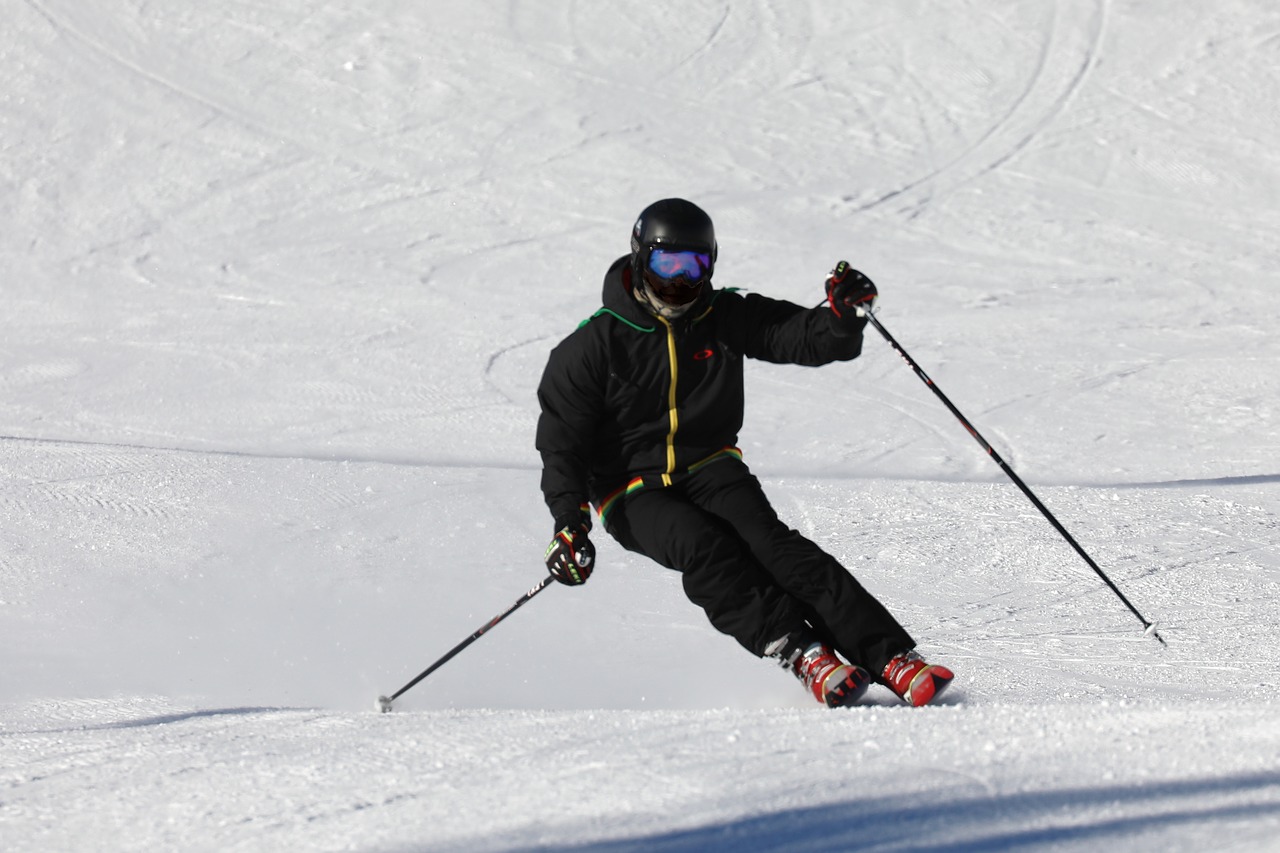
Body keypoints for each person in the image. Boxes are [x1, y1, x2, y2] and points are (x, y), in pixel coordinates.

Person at [536, 198, 953, 708]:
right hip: (630, 489)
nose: (680, 280)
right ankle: (799, 648)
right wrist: (569, 521)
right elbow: (562, 445)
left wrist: (843, 319)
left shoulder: (721, 315)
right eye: (668, 264)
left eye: (695, 266)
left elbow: (797, 336)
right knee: (702, 546)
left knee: (773, 545)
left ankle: (890, 656)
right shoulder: (591, 348)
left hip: (710, 465)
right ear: (640, 258)